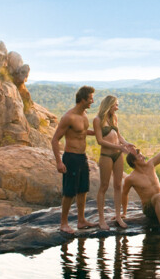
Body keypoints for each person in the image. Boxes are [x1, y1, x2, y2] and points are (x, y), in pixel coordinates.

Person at [50, 86, 100, 234]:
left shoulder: (84, 114)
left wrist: (100, 132)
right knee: (69, 192)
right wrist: (59, 161)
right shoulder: (68, 117)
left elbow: (83, 132)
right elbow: (55, 139)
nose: (92, 101)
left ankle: (81, 220)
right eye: (90, 98)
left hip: (82, 157)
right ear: (83, 99)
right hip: (70, 157)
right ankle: (63, 223)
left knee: (83, 189)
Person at [92, 95, 135, 230]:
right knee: (104, 186)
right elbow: (100, 141)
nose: (117, 108)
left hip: (118, 155)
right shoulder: (97, 120)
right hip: (106, 155)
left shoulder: (114, 118)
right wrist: (119, 147)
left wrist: (127, 144)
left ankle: (118, 216)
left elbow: (119, 135)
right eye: (115, 105)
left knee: (118, 185)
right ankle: (101, 219)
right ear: (109, 105)